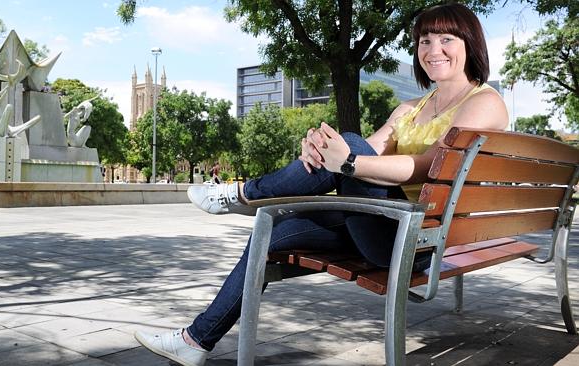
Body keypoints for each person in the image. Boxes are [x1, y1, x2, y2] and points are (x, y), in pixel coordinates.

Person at [133, 3, 508, 366]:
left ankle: (243, 194)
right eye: (425, 40)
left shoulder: (484, 103)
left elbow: (428, 167)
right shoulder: (409, 109)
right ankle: (194, 341)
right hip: (381, 221)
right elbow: (368, 156)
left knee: (350, 146)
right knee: (275, 228)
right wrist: (325, 151)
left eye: (447, 40)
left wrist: (346, 159)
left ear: (469, 44)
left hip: (416, 240)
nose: (433, 50)